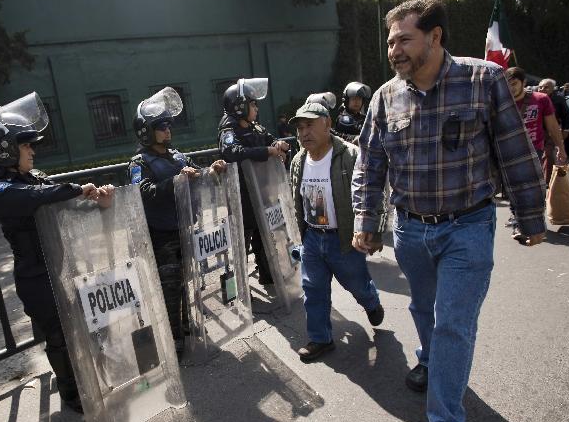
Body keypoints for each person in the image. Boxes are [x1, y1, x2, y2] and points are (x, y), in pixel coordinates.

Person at [351, 0, 547, 422]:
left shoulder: (484, 80)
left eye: (404, 39)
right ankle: (429, 359)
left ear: (435, 37)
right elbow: (369, 164)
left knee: (454, 324)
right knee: (423, 308)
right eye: (390, 41)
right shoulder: (384, 97)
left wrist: (531, 217)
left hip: (469, 226)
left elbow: (515, 152)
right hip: (411, 231)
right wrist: (367, 221)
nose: (394, 50)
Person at [0, 91, 114, 414]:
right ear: (5, 148)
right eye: (25, 145)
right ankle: (72, 394)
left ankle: (91, 376)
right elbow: (33, 198)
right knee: (58, 336)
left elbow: (63, 203)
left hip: (61, 268)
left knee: (85, 324)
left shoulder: (32, 178)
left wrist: (97, 199)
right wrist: (74, 189)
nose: (32, 151)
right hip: (35, 276)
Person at [128, 87, 226, 354]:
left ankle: (185, 326)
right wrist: (175, 180)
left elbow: (196, 173)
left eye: (169, 125)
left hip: (184, 229)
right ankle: (173, 343)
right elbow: (142, 192)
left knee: (185, 282)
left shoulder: (178, 156)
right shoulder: (139, 163)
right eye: (161, 126)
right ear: (146, 131)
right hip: (161, 236)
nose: (168, 130)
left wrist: (212, 169)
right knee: (168, 290)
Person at [288, 101, 384, 363]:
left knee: (356, 283)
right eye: (299, 127)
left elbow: (371, 193)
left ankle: (371, 302)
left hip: (343, 238)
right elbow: (296, 200)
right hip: (312, 237)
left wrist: (373, 231)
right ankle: (320, 339)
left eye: (309, 125)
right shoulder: (298, 160)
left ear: (328, 124)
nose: (303, 132)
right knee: (313, 289)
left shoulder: (351, 155)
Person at [218, 77, 289, 285]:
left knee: (265, 235)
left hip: (262, 191)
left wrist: (279, 144)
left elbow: (270, 140)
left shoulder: (254, 126)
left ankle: (268, 275)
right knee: (242, 242)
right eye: (252, 103)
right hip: (242, 195)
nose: (256, 108)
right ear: (240, 106)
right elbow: (231, 151)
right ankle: (240, 289)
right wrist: (266, 151)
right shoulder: (228, 127)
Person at [503, 67, 566, 193]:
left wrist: (560, 148)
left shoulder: (541, 99)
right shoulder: (501, 101)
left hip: (533, 149)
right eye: (508, 84)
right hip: (507, 150)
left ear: (524, 82)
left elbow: (552, 126)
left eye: (514, 84)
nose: (511, 88)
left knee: (529, 186)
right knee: (511, 188)